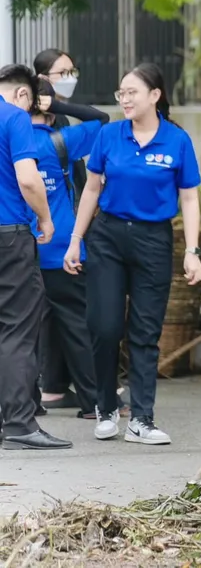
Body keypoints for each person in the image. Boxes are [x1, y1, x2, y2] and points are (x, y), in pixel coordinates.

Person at [64, 63, 201, 446]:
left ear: (155, 95)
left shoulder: (177, 140)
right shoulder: (109, 136)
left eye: (132, 92)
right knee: (105, 327)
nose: (124, 99)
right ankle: (106, 406)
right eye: (120, 93)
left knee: (145, 332)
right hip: (107, 237)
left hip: (154, 240)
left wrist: (192, 251)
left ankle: (142, 418)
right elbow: (91, 190)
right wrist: (76, 239)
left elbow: (189, 197)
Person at [0, 64, 71, 450]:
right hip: (8, 236)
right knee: (17, 329)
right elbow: (28, 178)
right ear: (23, 95)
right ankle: (19, 425)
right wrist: (45, 218)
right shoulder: (13, 118)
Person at [29, 79, 108, 420]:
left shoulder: (8, 143)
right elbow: (100, 119)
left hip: (19, 247)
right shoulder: (59, 142)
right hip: (62, 249)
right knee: (78, 327)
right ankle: (93, 402)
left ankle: (25, 404)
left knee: (20, 331)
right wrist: (58, 107)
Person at [32, 48, 85, 410]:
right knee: (65, 311)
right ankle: (89, 393)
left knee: (52, 312)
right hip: (47, 233)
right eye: (61, 72)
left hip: (64, 227)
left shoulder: (60, 121)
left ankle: (52, 386)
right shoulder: (35, 126)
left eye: (72, 69)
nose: (70, 77)